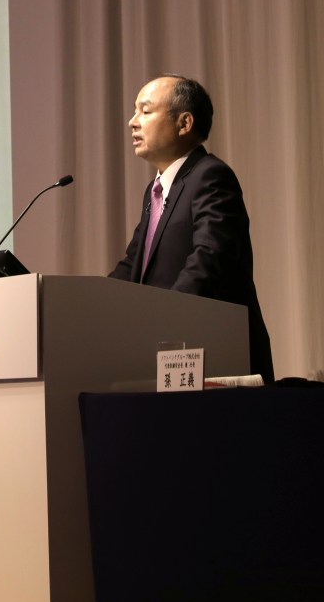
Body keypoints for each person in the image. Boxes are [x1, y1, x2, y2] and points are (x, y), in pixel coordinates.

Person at [109, 75, 274, 380]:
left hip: (215, 355)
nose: (133, 122)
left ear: (184, 123)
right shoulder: (156, 190)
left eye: (145, 111)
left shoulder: (210, 176)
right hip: (171, 353)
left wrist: (163, 318)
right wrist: (91, 303)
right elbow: (134, 264)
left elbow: (211, 259)